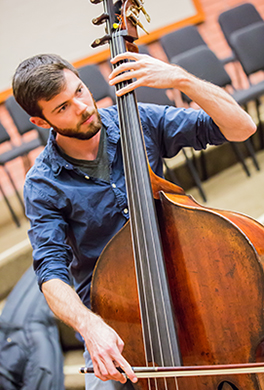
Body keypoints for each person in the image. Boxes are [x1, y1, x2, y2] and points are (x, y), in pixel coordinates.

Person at [12, 52, 256, 389]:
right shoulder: (42, 185)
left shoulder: (137, 121)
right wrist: (90, 327)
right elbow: (51, 273)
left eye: (79, 91)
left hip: (189, 288)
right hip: (115, 321)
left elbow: (241, 128)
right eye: (62, 108)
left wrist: (180, 79)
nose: (82, 107)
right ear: (41, 122)